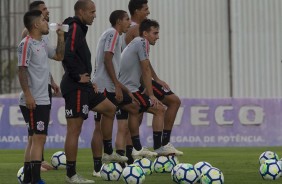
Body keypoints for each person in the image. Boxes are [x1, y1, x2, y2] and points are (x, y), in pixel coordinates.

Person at [60, 1, 127, 183]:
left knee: (110, 108)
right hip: (75, 86)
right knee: (74, 130)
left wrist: (89, 81)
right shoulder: (74, 27)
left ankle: (108, 153)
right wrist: (76, 76)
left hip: (86, 86)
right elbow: (67, 53)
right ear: (81, 12)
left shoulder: (79, 28)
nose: (95, 15)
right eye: (92, 12)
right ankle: (71, 175)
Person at [90, 10, 157, 177]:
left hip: (107, 84)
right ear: (119, 21)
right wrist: (117, 85)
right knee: (100, 124)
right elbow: (107, 59)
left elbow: (109, 61)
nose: (130, 23)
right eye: (127, 19)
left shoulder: (114, 35)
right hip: (105, 86)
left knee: (134, 107)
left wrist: (121, 86)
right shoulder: (113, 33)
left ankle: (135, 149)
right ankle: (101, 163)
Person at [124, 0, 183, 157]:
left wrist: (155, 78)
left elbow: (143, 61)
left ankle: (131, 154)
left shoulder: (132, 30)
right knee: (171, 102)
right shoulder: (136, 30)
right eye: (146, 9)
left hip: (132, 81)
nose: (148, 12)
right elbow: (143, 66)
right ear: (137, 11)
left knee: (137, 113)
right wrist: (152, 85)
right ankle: (160, 145)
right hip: (134, 82)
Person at [18, 9, 65, 184]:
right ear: (36, 24)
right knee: (38, 138)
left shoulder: (43, 43)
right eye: (44, 20)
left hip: (43, 98)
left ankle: (28, 179)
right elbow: (21, 69)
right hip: (34, 100)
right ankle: (35, 180)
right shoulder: (26, 44)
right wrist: (29, 95)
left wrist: (61, 36)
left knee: (35, 138)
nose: (47, 23)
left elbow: (59, 56)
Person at [119, 19, 171, 160]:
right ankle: (156, 147)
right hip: (128, 88)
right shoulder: (142, 42)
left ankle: (135, 149)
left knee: (135, 111)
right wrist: (151, 95)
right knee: (159, 109)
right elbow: (146, 69)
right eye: (155, 33)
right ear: (145, 33)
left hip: (126, 87)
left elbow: (142, 71)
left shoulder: (137, 43)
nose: (157, 36)